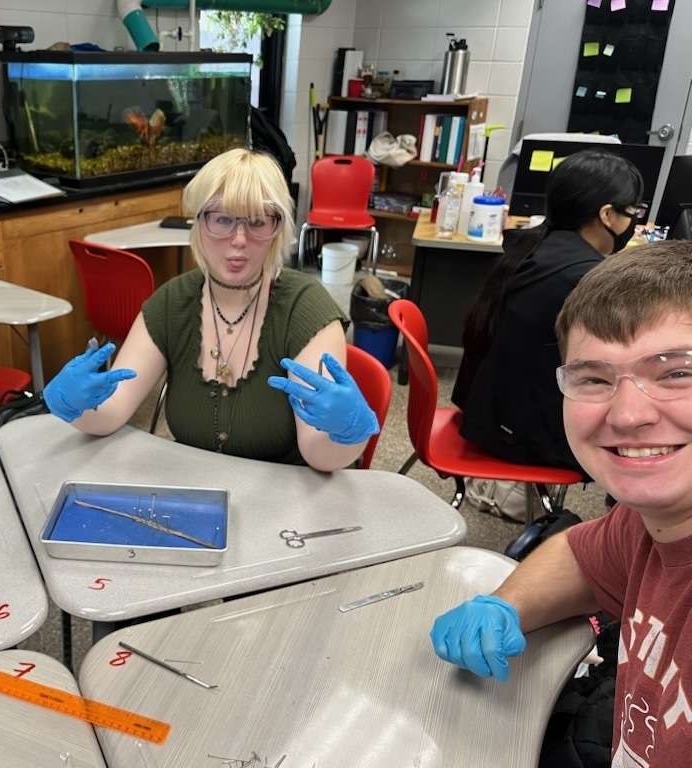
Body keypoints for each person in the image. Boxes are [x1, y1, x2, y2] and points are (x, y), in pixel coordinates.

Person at [431, 240, 692, 764]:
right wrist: (504, 605)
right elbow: (580, 553)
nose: (627, 414)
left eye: (675, 372)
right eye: (594, 378)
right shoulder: (648, 524)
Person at [44, 147, 378, 471]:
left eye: (259, 222)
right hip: (193, 499)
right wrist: (76, 406)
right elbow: (113, 411)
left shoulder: (304, 308)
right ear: (199, 223)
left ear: (279, 229)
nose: (239, 239)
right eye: (222, 219)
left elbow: (318, 452)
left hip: (283, 504)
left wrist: (347, 434)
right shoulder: (172, 302)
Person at [452, 149, 645, 476]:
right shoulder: (583, 279)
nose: (634, 221)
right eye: (632, 211)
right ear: (608, 215)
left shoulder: (534, 245)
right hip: (522, 436)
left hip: (488, 414)